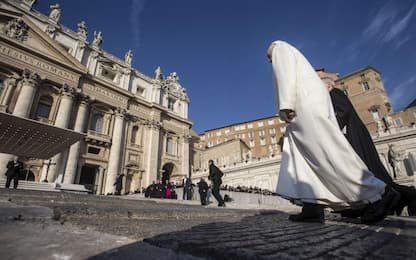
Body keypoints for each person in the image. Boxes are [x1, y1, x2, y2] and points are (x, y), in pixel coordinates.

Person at [267, 40, 399, 224]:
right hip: (306, 106)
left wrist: (286, 104)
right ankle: (311, 205)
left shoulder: (279, 48)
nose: (269, 60)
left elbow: (285, 76)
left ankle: (380, 193)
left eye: (269, 57)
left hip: (302, 107)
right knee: (303, 156)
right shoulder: (300, 60)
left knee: (325, 152)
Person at [325, 78, 416, 216]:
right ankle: (401, 198)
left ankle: (407, 195)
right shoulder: (334, 95)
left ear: (328, 85)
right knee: (372, 172)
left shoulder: (334, 93)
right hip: (355, 135)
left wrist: (331, 128)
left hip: (353, 136)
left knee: (369, 171)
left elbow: (343, 112)